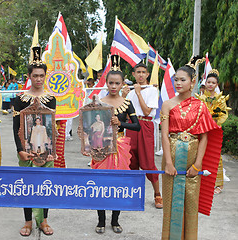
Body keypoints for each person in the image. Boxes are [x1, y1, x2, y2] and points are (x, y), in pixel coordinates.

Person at [160, 56, 222, 239]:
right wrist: (168, 163)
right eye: (176, 79)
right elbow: (164, 134)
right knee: (171, 202)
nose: (178, 83)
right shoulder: (167, 104)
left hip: (192, 157)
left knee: (191, 203)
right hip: (171, 156)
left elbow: (204, 137)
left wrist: (197, 164)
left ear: (193, 82)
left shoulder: (200, 106)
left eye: (182, 79)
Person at [89, 55, 140, 234]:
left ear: (121, 85)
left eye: (117, 83)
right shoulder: (99, 102)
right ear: (106, 83)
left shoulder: (127, 103)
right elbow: (88, 124)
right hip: (101, 147)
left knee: (118, 184)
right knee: (100, 184)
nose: (113, 86)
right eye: (110, 83)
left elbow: (137, 126)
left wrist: (120, 124)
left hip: (120, 148)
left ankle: (115, 220)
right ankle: (101, 221)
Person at [13, 46, 56, 237]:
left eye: (42, 75)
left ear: (45, 76)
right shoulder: (20, 99)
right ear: (29, 76)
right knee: (27, 185)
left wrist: (52, 149)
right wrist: (20, 149)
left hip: (45, 150)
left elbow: (51, 127)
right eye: (35, 75)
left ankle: (44, 220)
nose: (38, 79)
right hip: (26, 150)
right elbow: (16, 128)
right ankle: (28, 221)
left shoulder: (51, 99)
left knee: (46, 184)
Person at [122, 62, 163, 208]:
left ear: (147, 74)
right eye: (137, 72)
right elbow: (123, 113)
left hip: (145, 124)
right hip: (131, 125)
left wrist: (138, 92)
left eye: (143, 72)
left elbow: (146, 112)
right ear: (133, 74)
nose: (140, 75)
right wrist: (123, 96)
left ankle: (157, 195)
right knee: (131, 160)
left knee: (148, 161)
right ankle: (133, 194)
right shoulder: (130, 91)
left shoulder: (151, 90)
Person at [195, 69, 231, 194]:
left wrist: (213, 124)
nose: (210, 84)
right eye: (208, 82)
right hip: (202, 131)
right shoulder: (200, 98)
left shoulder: (220, 98)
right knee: (201, 156)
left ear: (216, 84)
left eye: (213, 82)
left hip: (214, 131)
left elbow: (223, 115)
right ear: (205, 83)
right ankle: (203, 184)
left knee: (215, 157)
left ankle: (218, 185)